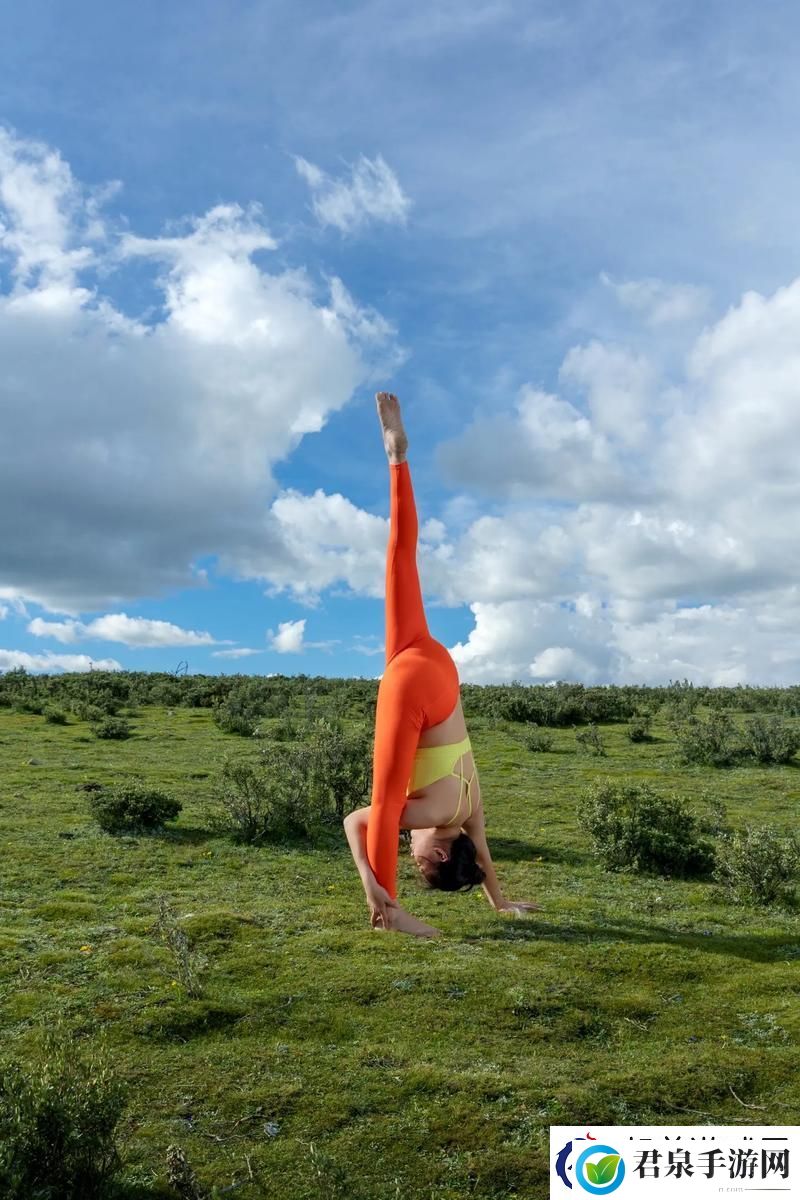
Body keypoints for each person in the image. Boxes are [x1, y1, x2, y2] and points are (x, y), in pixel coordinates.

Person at [343, 392, 540, 936]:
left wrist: (499, 903)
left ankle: (396, 458)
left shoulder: (469, 811)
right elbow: (358, 820)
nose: (414, 851)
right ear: (437, 852)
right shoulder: (432, 817)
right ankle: (390, 912)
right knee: (384, 803)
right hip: (415, 688)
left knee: (401, 560)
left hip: (439, 667)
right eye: (418, 860)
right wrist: (369, 873)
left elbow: (484, 856)